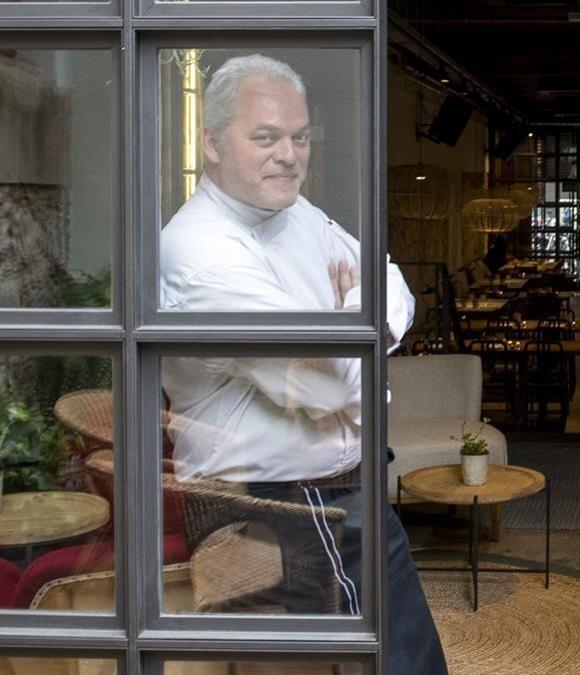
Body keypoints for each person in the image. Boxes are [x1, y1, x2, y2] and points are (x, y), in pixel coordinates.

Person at [159, 54, 447, 674]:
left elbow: (394, 286)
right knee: (382, 664)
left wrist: (353, 316)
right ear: (210, 143)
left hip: (342, 488)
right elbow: (326, 385)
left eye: (299, 136)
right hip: (273, 508)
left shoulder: (298, 212)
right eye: (265, 137)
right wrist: (351, 308)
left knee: (413, 660)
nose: (289, 154)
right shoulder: (201, 250)